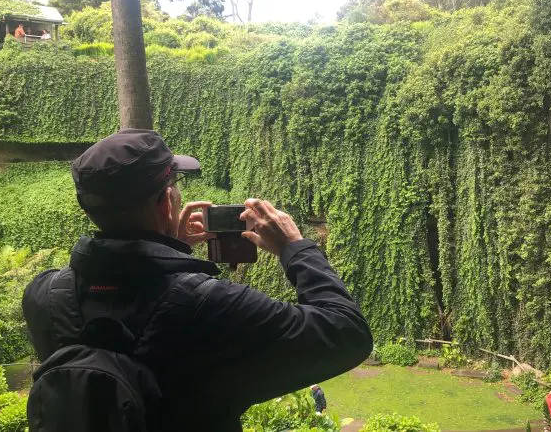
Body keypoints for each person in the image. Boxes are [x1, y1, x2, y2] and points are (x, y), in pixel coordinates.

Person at [22, 129, 373, 431]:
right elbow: (346, 333)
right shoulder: (213, 306)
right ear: (166, 202)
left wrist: (167, 249)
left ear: (89, 209)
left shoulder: (44, 295)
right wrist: (294, 247)